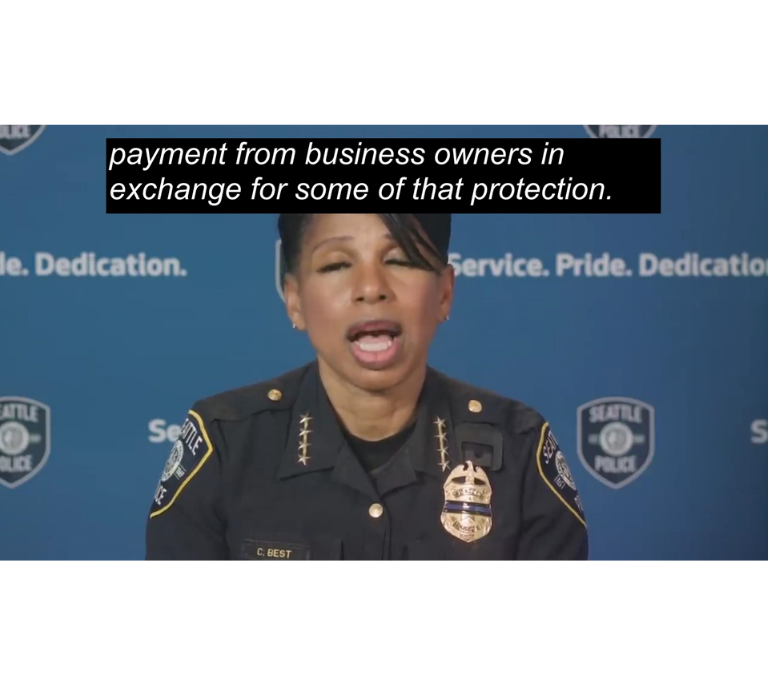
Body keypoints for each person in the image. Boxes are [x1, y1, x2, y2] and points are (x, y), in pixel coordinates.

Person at [145, 213, 587, 560]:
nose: (371, 288)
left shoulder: (518, 448)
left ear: (444, 294)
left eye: (399, 260)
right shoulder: (226, 443)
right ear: (294, 299)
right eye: (337, 264)